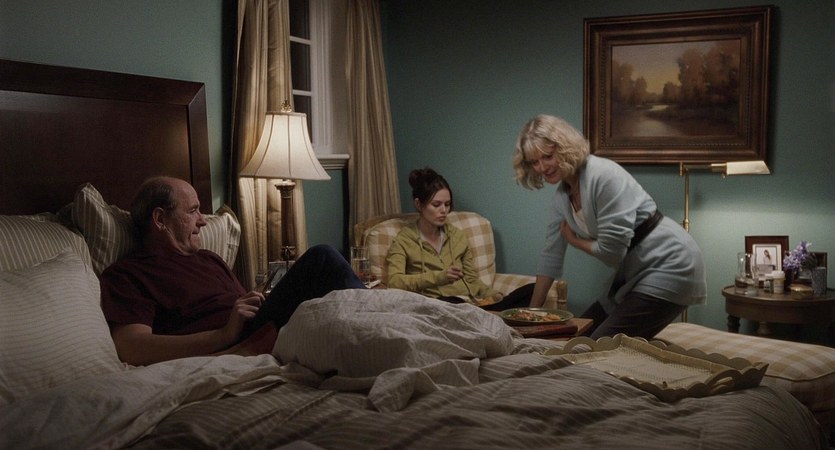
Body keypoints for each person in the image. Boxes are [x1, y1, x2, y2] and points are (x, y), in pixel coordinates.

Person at [100, 176, 364, 366]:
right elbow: (132, 347)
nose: (203, 221)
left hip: (260, 328)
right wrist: (223, 335)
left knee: (338, 307)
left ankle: (375, 323)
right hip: (233, 342)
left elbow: (243, 307)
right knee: (322, 258)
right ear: (160, 220)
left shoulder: (209, 259)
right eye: (193, 211)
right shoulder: (128, 274)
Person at [513, 115, 706, 339]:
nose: (542, 167)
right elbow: (551, 256)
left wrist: (574, 240)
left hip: (672, 263)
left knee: (594, 346)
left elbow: (612, 252)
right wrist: (531, 315)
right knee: (575, 338)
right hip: (633, 271)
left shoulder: (602, 175)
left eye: (547, 156)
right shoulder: (561, 198)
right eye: (534, 162)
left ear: (565, 148)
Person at [386, 167, 533, 311]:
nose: (444, 210)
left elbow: (472, 280)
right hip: (439, 305)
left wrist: (494, 295)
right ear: (419, 204)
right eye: (436, 205)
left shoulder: (457, 236)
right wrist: (439, 277)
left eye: (447, 204)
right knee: (451, 302)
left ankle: (489, 314)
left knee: (533, 290)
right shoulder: (404, 240)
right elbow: (394, 281)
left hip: (470, 304)